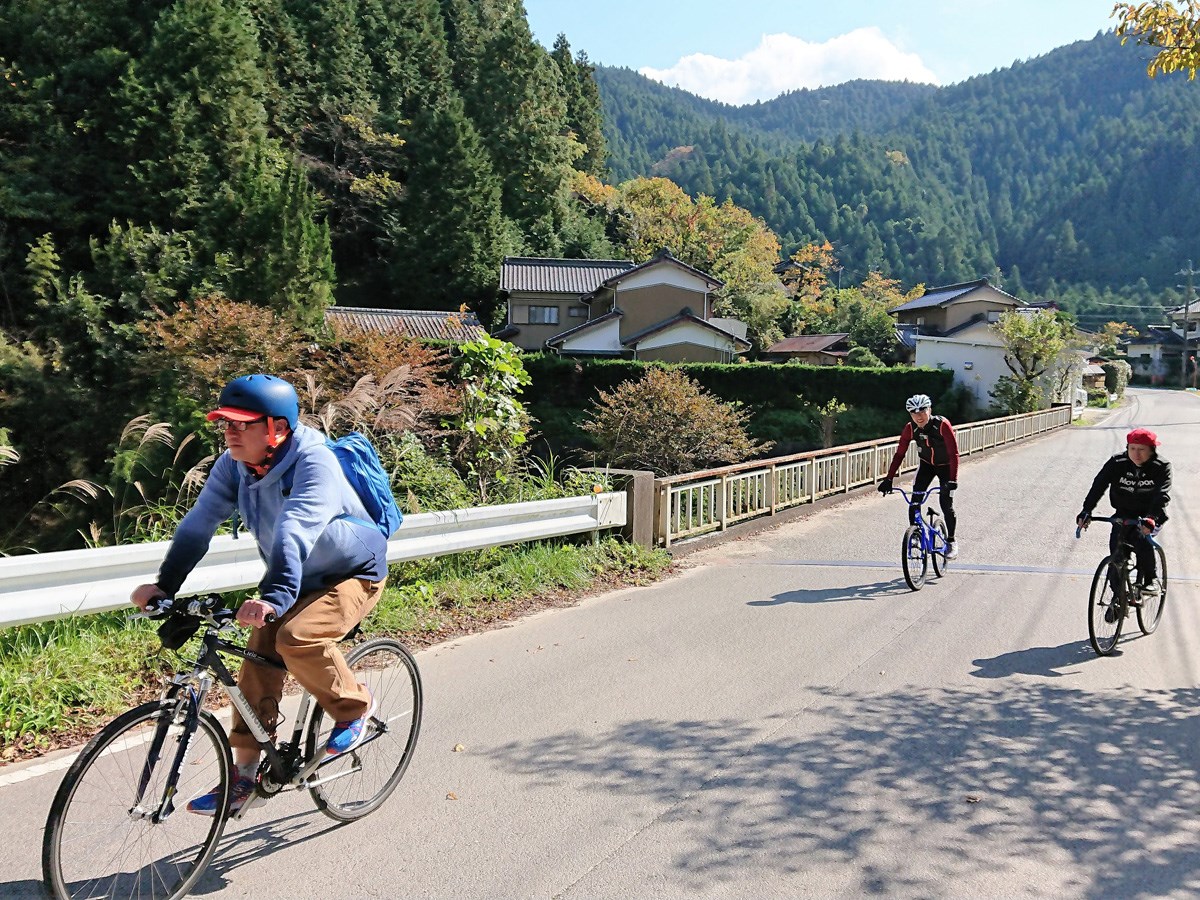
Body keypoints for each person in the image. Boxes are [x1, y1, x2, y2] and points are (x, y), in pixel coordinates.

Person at [131, 374, 389, 816]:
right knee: (256, 657)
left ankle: (355, 706)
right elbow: (198, 525)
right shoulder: (232, 465)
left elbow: (295, 530)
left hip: (353, 572)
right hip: (294, 574)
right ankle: (245, 776)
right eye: (225, 423)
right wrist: (165, 585)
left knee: (296, 638)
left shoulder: (314, 461)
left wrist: (273, 597)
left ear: (278, 428)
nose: (230, 432)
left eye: (242, 424)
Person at [1076, 427, 1170, 616]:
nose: (1136, 453)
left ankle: (1151, 579)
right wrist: (1087, 510)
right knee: (1116, 557)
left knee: (1141, 538)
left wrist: (1151, 518)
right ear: (1127, 448)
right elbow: (1099, 485)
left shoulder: (1161, 466)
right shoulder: (1117, 462)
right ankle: (1118, 597)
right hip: (1124, 513)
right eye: (1132, 448)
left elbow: (1162, 495)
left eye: (1142, 449)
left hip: (1151, 514)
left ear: (1151, 450)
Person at [876, 393, 960, 560]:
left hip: (946, 467)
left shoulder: (942, 425)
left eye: (922, 412)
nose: (918, 417)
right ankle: (915, 535)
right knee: (914, 502)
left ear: (929, 410)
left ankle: (951, 541)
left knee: (946, 504)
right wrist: (889, 478)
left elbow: (954, 454)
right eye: (914, 413)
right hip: (926, 466)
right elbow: (900, 454)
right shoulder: (910, 428)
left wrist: (952, 481)